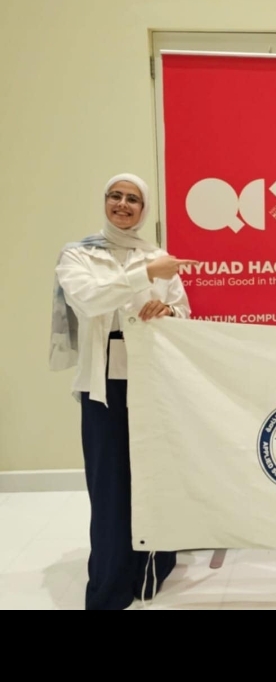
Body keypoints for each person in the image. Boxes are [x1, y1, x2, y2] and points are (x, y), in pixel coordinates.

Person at [51, 174, 191, 610]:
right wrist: (144, 275)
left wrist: (168, 310)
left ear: (143, 209)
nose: (123, 204)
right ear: (105, 201)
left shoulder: (157, 256)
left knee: (152, 478)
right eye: (116, 196)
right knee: (110, 483)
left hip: (152, 379)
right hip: (103, 387)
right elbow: (89, 298)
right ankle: (110, 583)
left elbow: (184, 312)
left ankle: (150, 569)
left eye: (133, 199)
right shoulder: (79, 255)